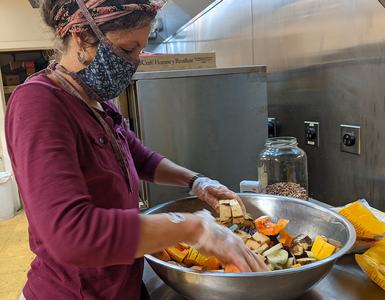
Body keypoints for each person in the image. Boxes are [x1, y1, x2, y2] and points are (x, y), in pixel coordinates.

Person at [5, 0, 268, 299]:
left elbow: (138, 157)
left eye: (139, 51)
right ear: (81, 36)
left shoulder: (95, 101)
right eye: (127, 49)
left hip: (122, 285)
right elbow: (71, 234)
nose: (133, 63)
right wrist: (194, 228)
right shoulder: (38, 104)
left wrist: (196, 181)